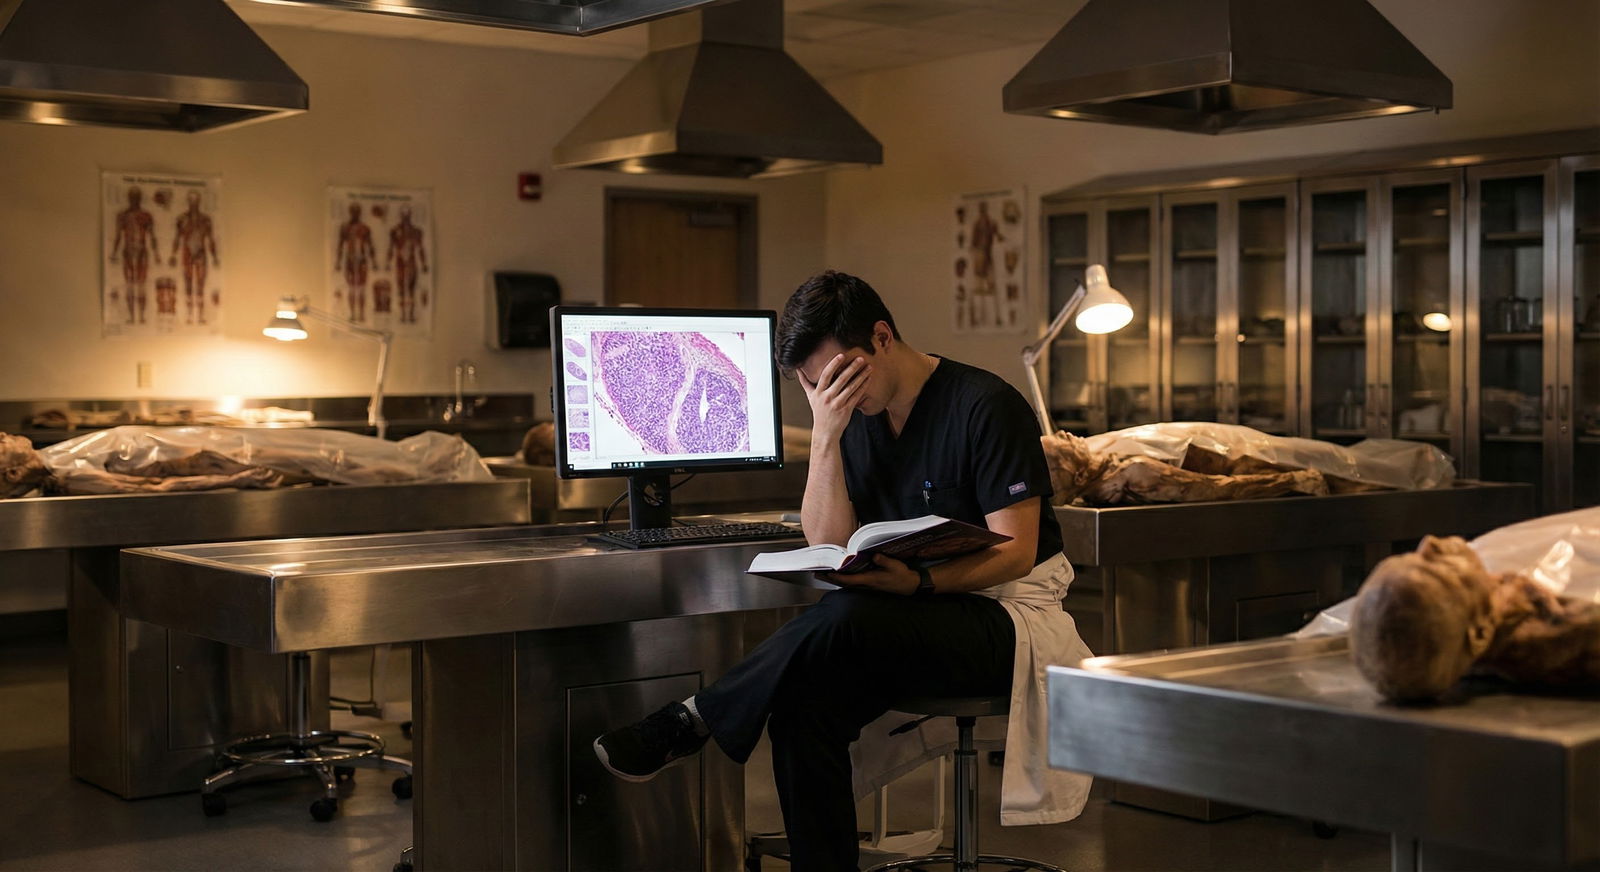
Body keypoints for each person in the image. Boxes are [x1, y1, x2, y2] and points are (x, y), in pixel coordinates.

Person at [594, 270, 1093, 870]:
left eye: (839, 378)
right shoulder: (851, 420)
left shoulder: (984, 405)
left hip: (1005, 617)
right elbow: (828, 542)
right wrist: (826, 437)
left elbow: (1014, 551)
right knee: (803, 711)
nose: (834, 396)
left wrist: (921, 582)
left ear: (882, 338)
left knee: (850, 614)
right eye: (813, 387)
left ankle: (696, 717)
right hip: (901, 618)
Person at [109, 186, 159, 325]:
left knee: (141, 284)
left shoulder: (146, 216)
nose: (134, 200)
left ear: (140, 199)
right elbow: (118, 236)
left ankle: (142, 317)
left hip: (142, 251)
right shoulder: (122, 216)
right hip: (128, 252)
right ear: (129, 198)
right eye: (132, 197)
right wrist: (114, 253)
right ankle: (132, 317)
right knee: (130, 284)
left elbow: (152, 236)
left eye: (137, 197)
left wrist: (156, 254)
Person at [169, 189, 219, 325]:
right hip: (187, 254)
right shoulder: (182, 219)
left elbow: (210, 239)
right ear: (188, 202)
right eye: (191, 201)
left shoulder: (205, 220)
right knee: (188, 285)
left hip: (201, 254)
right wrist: (173, 255)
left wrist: (214, 256)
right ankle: (190, 315)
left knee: (200, 286)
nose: (193, 203)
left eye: (195, 200)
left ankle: (201, 316)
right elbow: (177, 238)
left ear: (199, 202)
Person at [335, 203, 377, 322]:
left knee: (362, 288)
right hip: (350, 261)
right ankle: (353, 314)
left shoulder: (365, 228)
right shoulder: (345, 228)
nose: (355, 214)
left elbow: (370, 246)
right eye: (353, 211)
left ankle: (362, 314)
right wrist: (338, 262)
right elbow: (340, 246)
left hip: (362, 261)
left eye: (357, 211)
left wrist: (374, 262)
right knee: (352, 288)